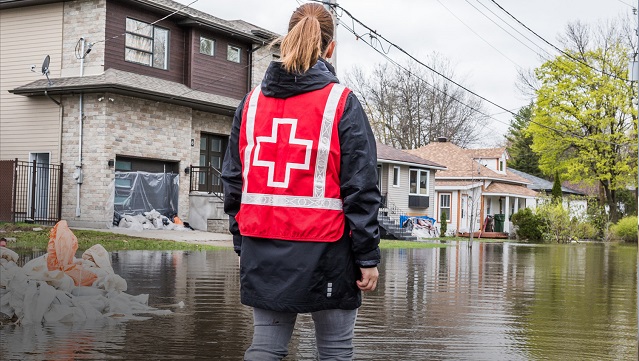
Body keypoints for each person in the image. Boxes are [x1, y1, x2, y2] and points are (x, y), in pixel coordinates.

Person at [221, 3, 381, 360]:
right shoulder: (341, 103)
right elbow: (361, 186)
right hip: (329, 249)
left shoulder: (250, 104)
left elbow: (233, 181)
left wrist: (241, 244)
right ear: (330, 48)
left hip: (261, 246)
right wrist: (367, 257)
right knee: (335, 350)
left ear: (287, 39)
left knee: (265, 348)